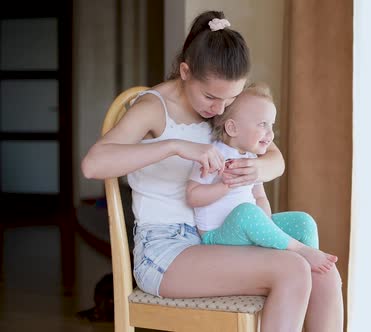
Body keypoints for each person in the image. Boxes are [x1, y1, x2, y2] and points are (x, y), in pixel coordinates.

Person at [81, 10, 343, 332]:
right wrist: (175, 146)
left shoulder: (221, 104)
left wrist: (255, 167)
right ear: (186, 71)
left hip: (217, 236)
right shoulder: (153, 108)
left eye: (231, 98)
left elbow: (275, 159)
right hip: (166, 251)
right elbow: (93, 164)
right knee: (293, 269)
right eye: (211, 97)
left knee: (324, 272)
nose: (219, 110)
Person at [186, 82, 338, 273]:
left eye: (271, 125)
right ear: (232, 128)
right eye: (262, 124)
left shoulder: (250, 159)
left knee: (304, 221)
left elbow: (259, 197)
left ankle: (311, 274)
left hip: (248, 228)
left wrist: (266, 223)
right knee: (246, 212)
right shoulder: (211, 154)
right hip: (217, 236)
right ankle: (300, 250)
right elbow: (192, 196)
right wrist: (225, 186)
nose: (270, 134)